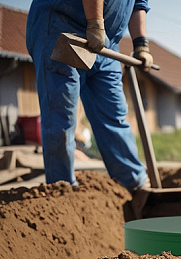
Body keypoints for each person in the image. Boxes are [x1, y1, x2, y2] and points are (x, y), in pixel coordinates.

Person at [26, 0, 155, 218]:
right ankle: (63, 193)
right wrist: (95, 24)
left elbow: (137, 3)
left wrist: (141, 44)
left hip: (107, 41)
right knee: (62, 117)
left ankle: (135, 187)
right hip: (63, 25)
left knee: (114, 116)